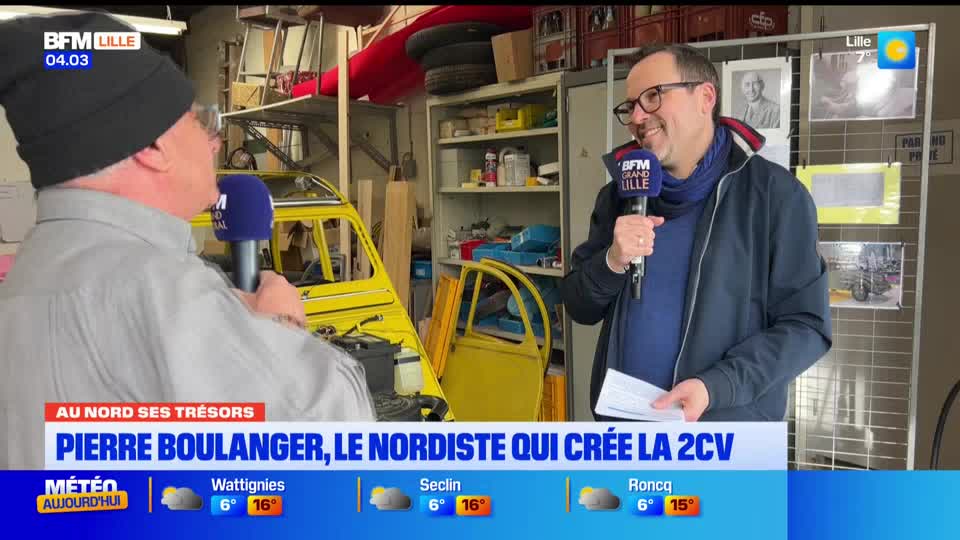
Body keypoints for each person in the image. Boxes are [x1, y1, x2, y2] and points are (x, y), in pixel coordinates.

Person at [0, 12, 375, 469]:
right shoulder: (156, 287)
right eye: (200, 121)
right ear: (152, 146)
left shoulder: (23, 286)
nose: (215, 142)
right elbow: (338, 442)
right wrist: (281, 327)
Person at [561, 44, 831, 422]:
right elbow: (579, 306)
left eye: (653, 96)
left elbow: (806, 327)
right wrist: (611, 262)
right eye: (630, 106)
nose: (637, 117)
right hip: (624, 425)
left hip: (724, 432)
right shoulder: (619, 195)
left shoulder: (775, 196)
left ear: (705, 97)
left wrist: (716, 386)